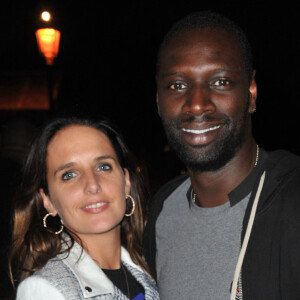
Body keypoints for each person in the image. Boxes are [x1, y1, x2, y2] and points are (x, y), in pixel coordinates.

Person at [143, 10, 300, 300]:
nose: (198, 104)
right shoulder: (161, 211)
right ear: (158, 100)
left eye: (220, 82)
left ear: (251, 93)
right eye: (178, 85)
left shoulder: (291, 203)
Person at [9, 116, 159, 300]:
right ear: (47, 201)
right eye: (69, 174)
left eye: (103, 167)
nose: (92, 185)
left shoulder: (154, 270)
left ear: (126, 181)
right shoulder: (45, 290)